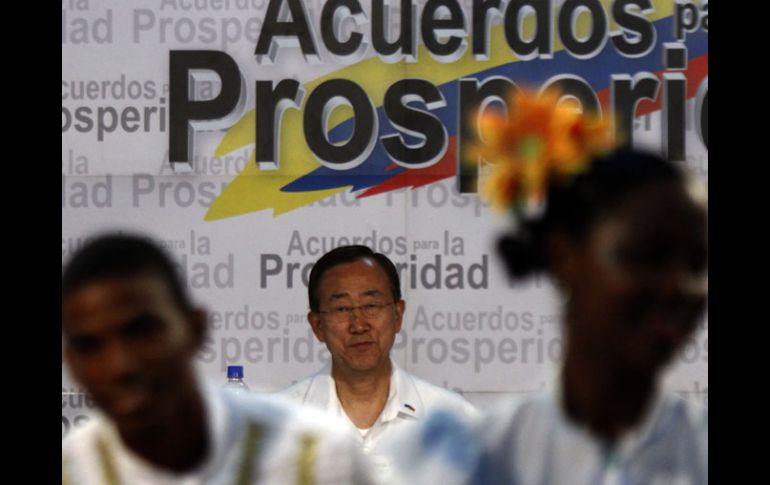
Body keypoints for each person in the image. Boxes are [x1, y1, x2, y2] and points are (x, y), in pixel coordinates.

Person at [391, 90, 708, 484]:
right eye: (648, 256)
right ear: (565, 257)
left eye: (697, 264)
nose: (678, 286)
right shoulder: (463, 462)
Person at [62, 233, 375, 485]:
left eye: (142, 332)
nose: (120, 366)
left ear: (195, 329)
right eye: (89, 346)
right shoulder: (72, 472)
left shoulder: (316, 457)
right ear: (71, 362)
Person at [279, 245, 477, 479]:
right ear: (317, 326)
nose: (359, 325)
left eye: (371, 306)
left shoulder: (454, 420)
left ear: (398, 315)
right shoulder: (278, 424)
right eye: (341, 309)